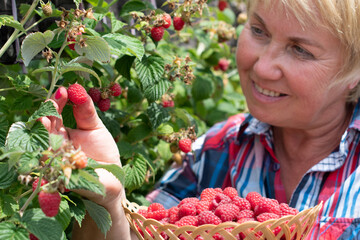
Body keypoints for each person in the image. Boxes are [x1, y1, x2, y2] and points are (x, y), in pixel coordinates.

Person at [40, 0, 360, 239]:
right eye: (259, 30)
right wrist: (110, 201)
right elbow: (150, 231)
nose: (262, 68)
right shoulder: (218, 148)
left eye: (300, 50)